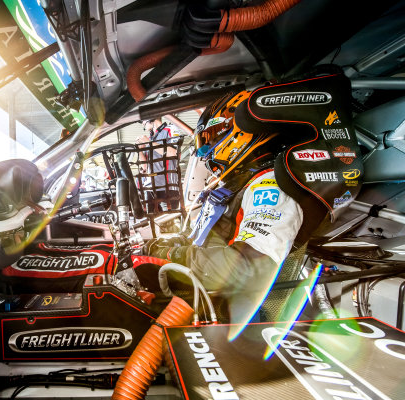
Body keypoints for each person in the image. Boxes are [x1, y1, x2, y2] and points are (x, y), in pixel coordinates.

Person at [142, 74, 363, 324]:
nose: (206, 151)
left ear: (243, 132)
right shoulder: (238, 184)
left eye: (213, 137)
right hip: (205, 297)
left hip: (236, 319)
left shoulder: (270, 184)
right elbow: (210, 238)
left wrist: (174, 255)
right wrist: (166, 247)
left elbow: (247, 268)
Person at [136, 118, 181, 213]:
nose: (143, 125)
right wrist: (139, 150)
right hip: (149, 187)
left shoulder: (170, 129)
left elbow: (174, 153)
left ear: (151, 117)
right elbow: (144, 167)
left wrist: (149, 143)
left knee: (170, 222)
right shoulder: (150, 138)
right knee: (152, 222)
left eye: (143, 122)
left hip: (167, 187)